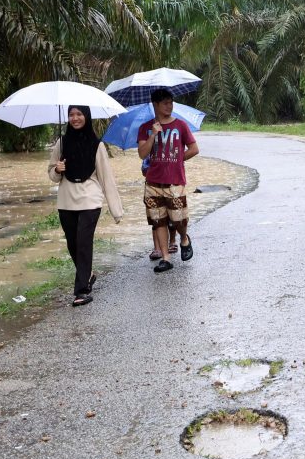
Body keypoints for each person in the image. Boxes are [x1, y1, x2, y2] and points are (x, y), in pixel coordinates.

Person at [48, 105, 124, 306]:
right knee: (72, 244)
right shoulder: (61, 143)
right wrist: (57, 169)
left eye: (79, 114)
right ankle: (88, 274)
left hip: (90, 199)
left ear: (86, 116)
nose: (75, 118)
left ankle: (82, 290)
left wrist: (116, 210)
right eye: (71, 114)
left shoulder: (97, 145)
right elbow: (52, 175)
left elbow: (106, 178)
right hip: (66, 200)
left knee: (83, 241)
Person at [137, 87, 199, 272]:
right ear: (155, 105)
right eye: (165, 103)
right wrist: (153, 134)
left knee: (179, 219)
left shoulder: (180, 125)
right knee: (158, 221)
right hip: (153, 182)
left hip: (175, 181)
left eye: (171, 103)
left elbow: (194, 149)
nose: (169, 106)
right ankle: (166, 258)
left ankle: (184, 239)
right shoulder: (145, 128)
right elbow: (142, 154)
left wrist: (178, 159)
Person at [141, 155, 177, 260]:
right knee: (156, 219)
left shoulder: (172, 151)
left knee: (172, 217)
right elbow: (144, 170)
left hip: (170, 185)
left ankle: (172, 241)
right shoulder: (149, 154)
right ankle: (157, 248)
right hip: (153, 187)